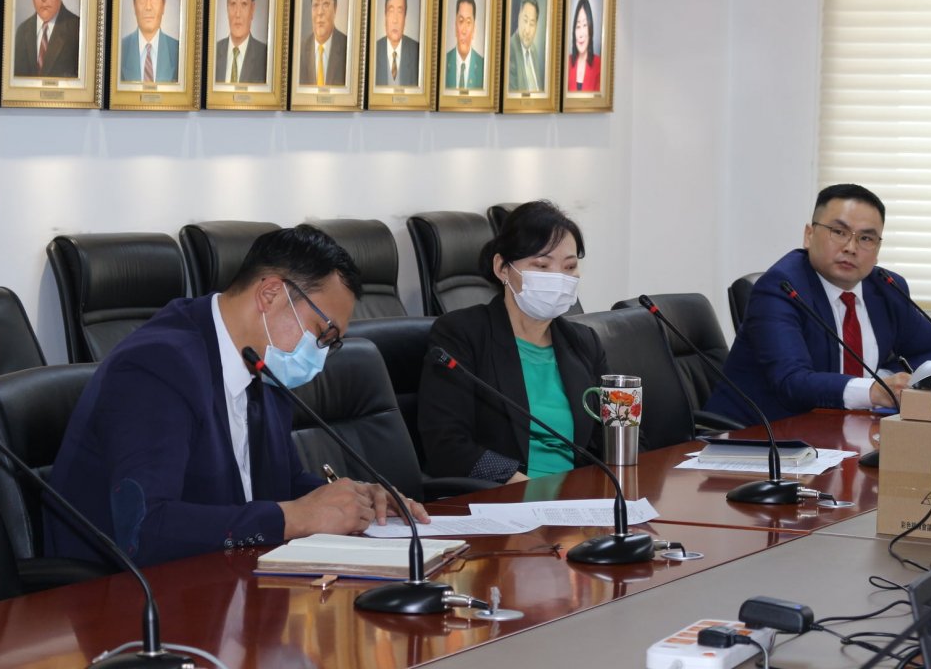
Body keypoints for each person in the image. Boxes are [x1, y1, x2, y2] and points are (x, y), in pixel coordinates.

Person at [45, 225, 429, 568]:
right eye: (321, 333)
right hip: (119, 597)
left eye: (333, 343)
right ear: (270, 294)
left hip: (224, 580)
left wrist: (357, 501)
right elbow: (144, 529)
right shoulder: (158, 366)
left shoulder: (262, 363)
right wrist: (292, 518)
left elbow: (284, 483)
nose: (321, 354)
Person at [705, 184, 931, 425]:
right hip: (755, 436)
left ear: (877, 250)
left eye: (866, 238)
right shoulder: (780, 288)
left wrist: (886, 378)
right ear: (809, 235)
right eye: (839, 232)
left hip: (841, 431)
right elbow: (792, 381)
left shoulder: (886, 287)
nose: (851, 248)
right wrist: (874, 390)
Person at [418, 200, 606, 483]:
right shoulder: (461, 334)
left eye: (569, 267)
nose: (558, 278)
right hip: (505, 496)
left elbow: (617, 430)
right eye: (542, 265)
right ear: (502, 268)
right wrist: (520, 487)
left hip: (581, 496)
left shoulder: (584, 343)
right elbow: (446, 444)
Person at [119, 0, 179, 83]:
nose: (148, 6)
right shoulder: (118, 51)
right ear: (134, 3)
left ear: (163, 3)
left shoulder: (179, 53)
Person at [215, 0, 269, 84]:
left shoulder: (266, 56)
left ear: (252, 9)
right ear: (227, 6)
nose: (237, 13)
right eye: (233, 3)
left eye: (244, 3)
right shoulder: (212, 52)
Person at [298, 0, 347, 86]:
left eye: (325, 4)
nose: (320, 12)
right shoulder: (299, 50)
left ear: (335, 8)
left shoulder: (347, 48)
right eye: (315, 5)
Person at [374, 0, 419, 87]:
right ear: (385, 15)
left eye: (400, 11)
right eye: (391, 11)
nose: (395, 20)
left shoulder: (417, 51)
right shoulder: (374, 50)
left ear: (405, 17)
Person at [444, 0, 483, 90]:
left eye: (468, 22)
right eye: (461, 21)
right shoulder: (443, 62)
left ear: (474, 29)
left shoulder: (483, 67)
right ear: (455, 26)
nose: (464, 31)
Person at [507, 0, 545, 92]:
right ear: (519, 17)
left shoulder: (533, 50)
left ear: (536, 26)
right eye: (525, 20)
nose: (527, 30)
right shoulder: (510, 49)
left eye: (532, 24)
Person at [566, 0, 600, 92]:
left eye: (585, 25)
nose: (580, 34)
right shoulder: (566, 63)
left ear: (590, 30)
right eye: (578, 26)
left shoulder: (599, 65)